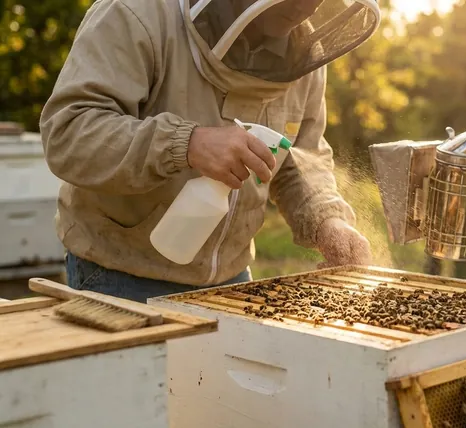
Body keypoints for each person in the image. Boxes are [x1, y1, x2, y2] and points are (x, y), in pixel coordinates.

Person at [39, 0, 381, 302]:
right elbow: (68, 132)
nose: (310, 5)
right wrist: (187, 143)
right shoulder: (137, 12)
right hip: (121, 276)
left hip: (231, 282)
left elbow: (297, 157)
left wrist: (327, 221)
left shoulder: (304, 53)